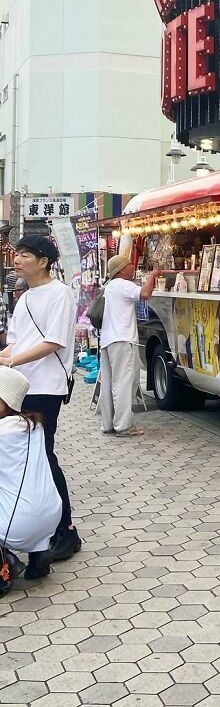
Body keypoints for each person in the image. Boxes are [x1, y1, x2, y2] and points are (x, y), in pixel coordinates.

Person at [0, 235, 79, 563]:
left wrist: (12, 361)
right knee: (28, 456)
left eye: (25, 254)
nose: (17, 259)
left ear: (44, 261)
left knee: (43, 455)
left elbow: (55, 342)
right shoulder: (25, 298)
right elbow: (15, 343)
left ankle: (66, 530)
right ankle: (37, 530)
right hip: (19, 387)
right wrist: (4, 357)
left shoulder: (60, 294)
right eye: (17, 254)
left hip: (47, 387)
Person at [0, 367, 61, 587]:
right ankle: (39, 555)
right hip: (52, 516)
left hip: (16, 525)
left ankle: (7, 560)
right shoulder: (35, 426)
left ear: (6, 402)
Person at [99, 255, 158, 437]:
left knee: (109, 383)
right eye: (130, 264)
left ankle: (108, 423)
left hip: (109, 340)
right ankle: (123, 426)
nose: (133, 267)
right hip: (123, 340)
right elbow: (145, 294)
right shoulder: (123, 285)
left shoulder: (109, 287)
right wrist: (153, 275)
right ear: (122, 269)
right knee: (125, 382)